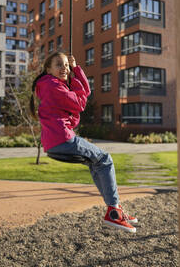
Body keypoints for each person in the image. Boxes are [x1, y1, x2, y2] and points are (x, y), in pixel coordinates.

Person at [30, 51, 137, 233]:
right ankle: (113, 212)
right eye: (58, 64)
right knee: (105, 159)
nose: (64, 68)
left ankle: (115, 209)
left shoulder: (50, 85)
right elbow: (81, 103)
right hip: (63, 138)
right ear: (48, 69)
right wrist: (74, 75)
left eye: (65, 64)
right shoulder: (53, 86)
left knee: (96, 163)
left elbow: (84, 93)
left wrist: (76, 70)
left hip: (54, 142)